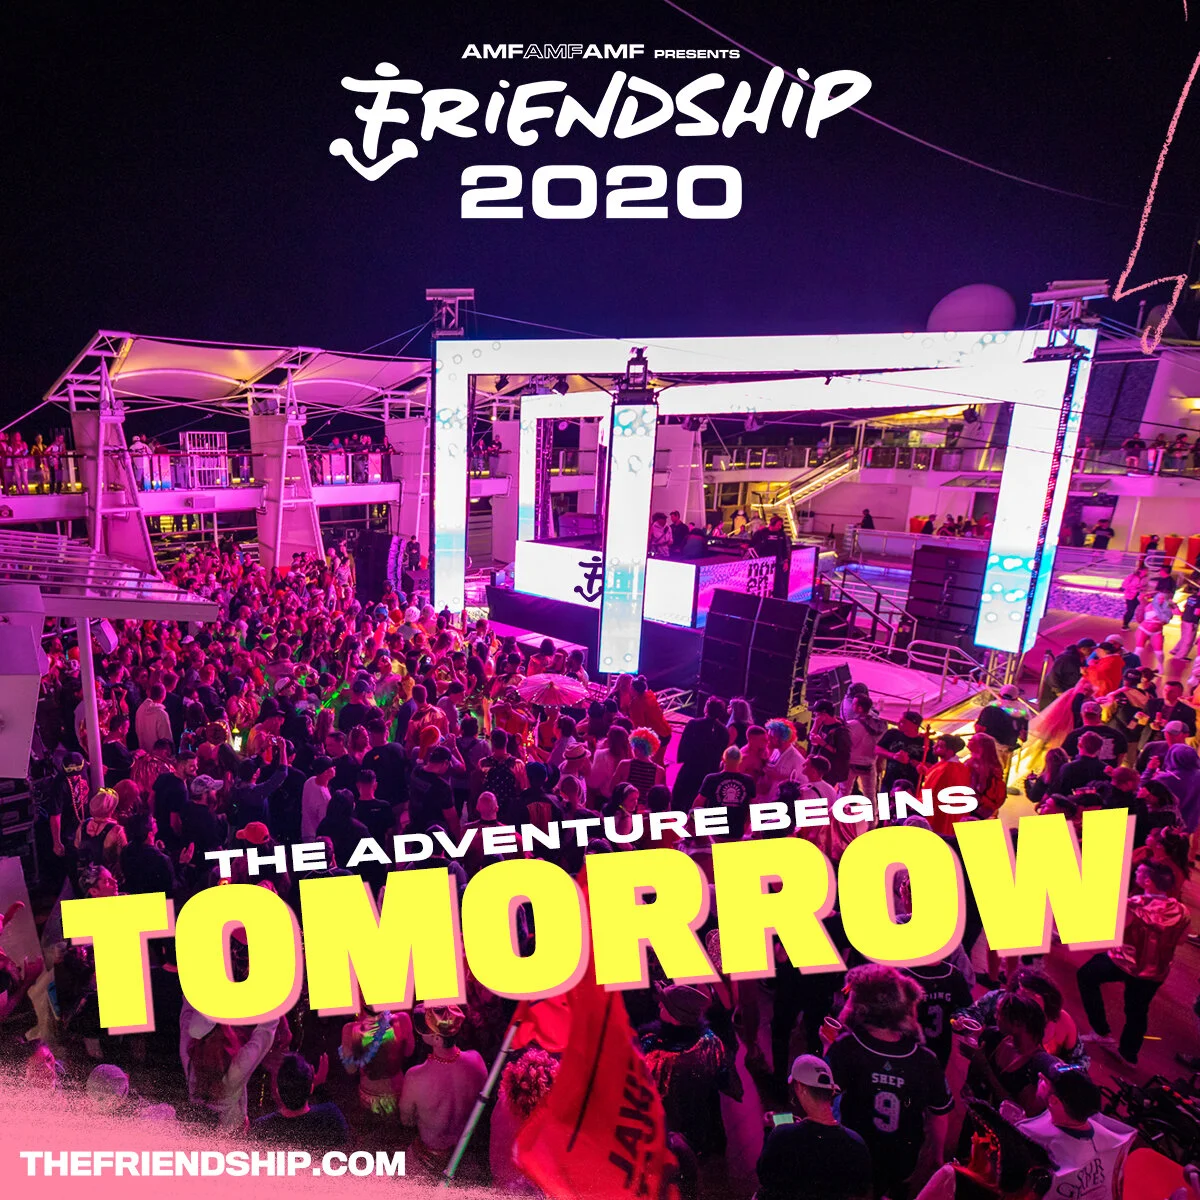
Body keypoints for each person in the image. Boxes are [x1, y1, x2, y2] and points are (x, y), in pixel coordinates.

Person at [825, 964, 953, 1200]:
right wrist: (937, 1156)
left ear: (862, 1007)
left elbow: (823, 1097)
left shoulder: (847, 1048)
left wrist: (827, 1049)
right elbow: (939, 1114)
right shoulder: (926, 1060)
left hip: (856, 1155)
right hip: (904, 1159)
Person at [1077, 860, 1189, 1065]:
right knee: (1137, 1011)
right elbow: (1181, 940)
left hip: (1124, 962)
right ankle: (1128, 1053)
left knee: (1086, 975)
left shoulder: (1135, 905)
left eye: (1139, 871)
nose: (1135, 872)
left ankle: (1101, 1031)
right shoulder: (1181, 911)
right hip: (1155, 971)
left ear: (1148, 881)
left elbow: (1114, 932)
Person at [756, 1054, 873, 1200]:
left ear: (800, 1088)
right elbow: (861, 1190)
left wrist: (769, 1131)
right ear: (831, 1091)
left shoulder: (782, 1136)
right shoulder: (856, 1143)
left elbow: (765, 1176)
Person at [1017, 1066, 1135, 1200]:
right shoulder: (1105, 1133)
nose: (1039, 1078)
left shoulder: (1036, 1142)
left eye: (1044, 1081)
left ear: (1054, 1101)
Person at [399, 1005, 487, 1174]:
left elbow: (406, 1121)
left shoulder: (415, 1077)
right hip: (462, 1155)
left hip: (427, 1158)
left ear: (437, 1039)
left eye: (424, 1030)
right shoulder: (477, 1061)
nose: (420, 1034)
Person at [253, 1052, 349, 1151]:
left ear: (277, 1091)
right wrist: (319, 1088)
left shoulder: (261, 1129)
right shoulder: (331, 1118)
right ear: (311, 1088)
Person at [672, 696, 730, 810]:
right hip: (709, 769)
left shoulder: (694, 723)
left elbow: (684, 744)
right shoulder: (724, 731)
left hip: (691, 767)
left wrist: (683, 759)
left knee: (681, 798)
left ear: (706, 708)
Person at [694, 745, 757, 839]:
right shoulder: (748, 781)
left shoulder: (711, 779)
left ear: (723, 759)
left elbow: (698, 803)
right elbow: (753, 807)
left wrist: (697, 825)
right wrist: (746, 825)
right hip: (737, 830)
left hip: (713, 829)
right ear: (740, 760)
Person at [1061, 702, 1127, 769]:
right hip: (1107, 774)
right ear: (1100, 715)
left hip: (1080, 774)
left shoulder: (1073, 735)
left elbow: (1064, 756)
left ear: (1081, 715)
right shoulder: (1116, 735)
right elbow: (1121, 757)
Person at [1120, 565, 1148, 630]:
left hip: (1139, 596)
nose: (1146, 572)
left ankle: (1128, 624)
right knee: (1130, 610)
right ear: (1140, 570)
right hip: (1130, 596)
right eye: (1145, 571)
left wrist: (1142, 589)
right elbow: (1124, 585)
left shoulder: (1145, 579)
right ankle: (1125, 624)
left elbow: (1145, 587)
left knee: (1135, 610)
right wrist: (1136, 588)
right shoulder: (1132, 577)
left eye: (1146, 571)